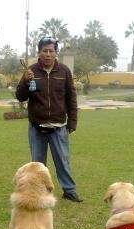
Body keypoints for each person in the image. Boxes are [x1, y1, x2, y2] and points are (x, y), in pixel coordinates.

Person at [16, 36, 82, 202]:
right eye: (44, 51)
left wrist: (73, 121)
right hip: (37, 127)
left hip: (59, 127)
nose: (47, 54)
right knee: (38, 165)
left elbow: (71, 98)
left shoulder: (64, 71)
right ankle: (39, 192)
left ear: (56, 53)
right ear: (39, 53)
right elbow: (20, 97)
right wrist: (25, 81)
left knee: (63, 162)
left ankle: (69, 190)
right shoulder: (31, 71)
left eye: (51, 51)